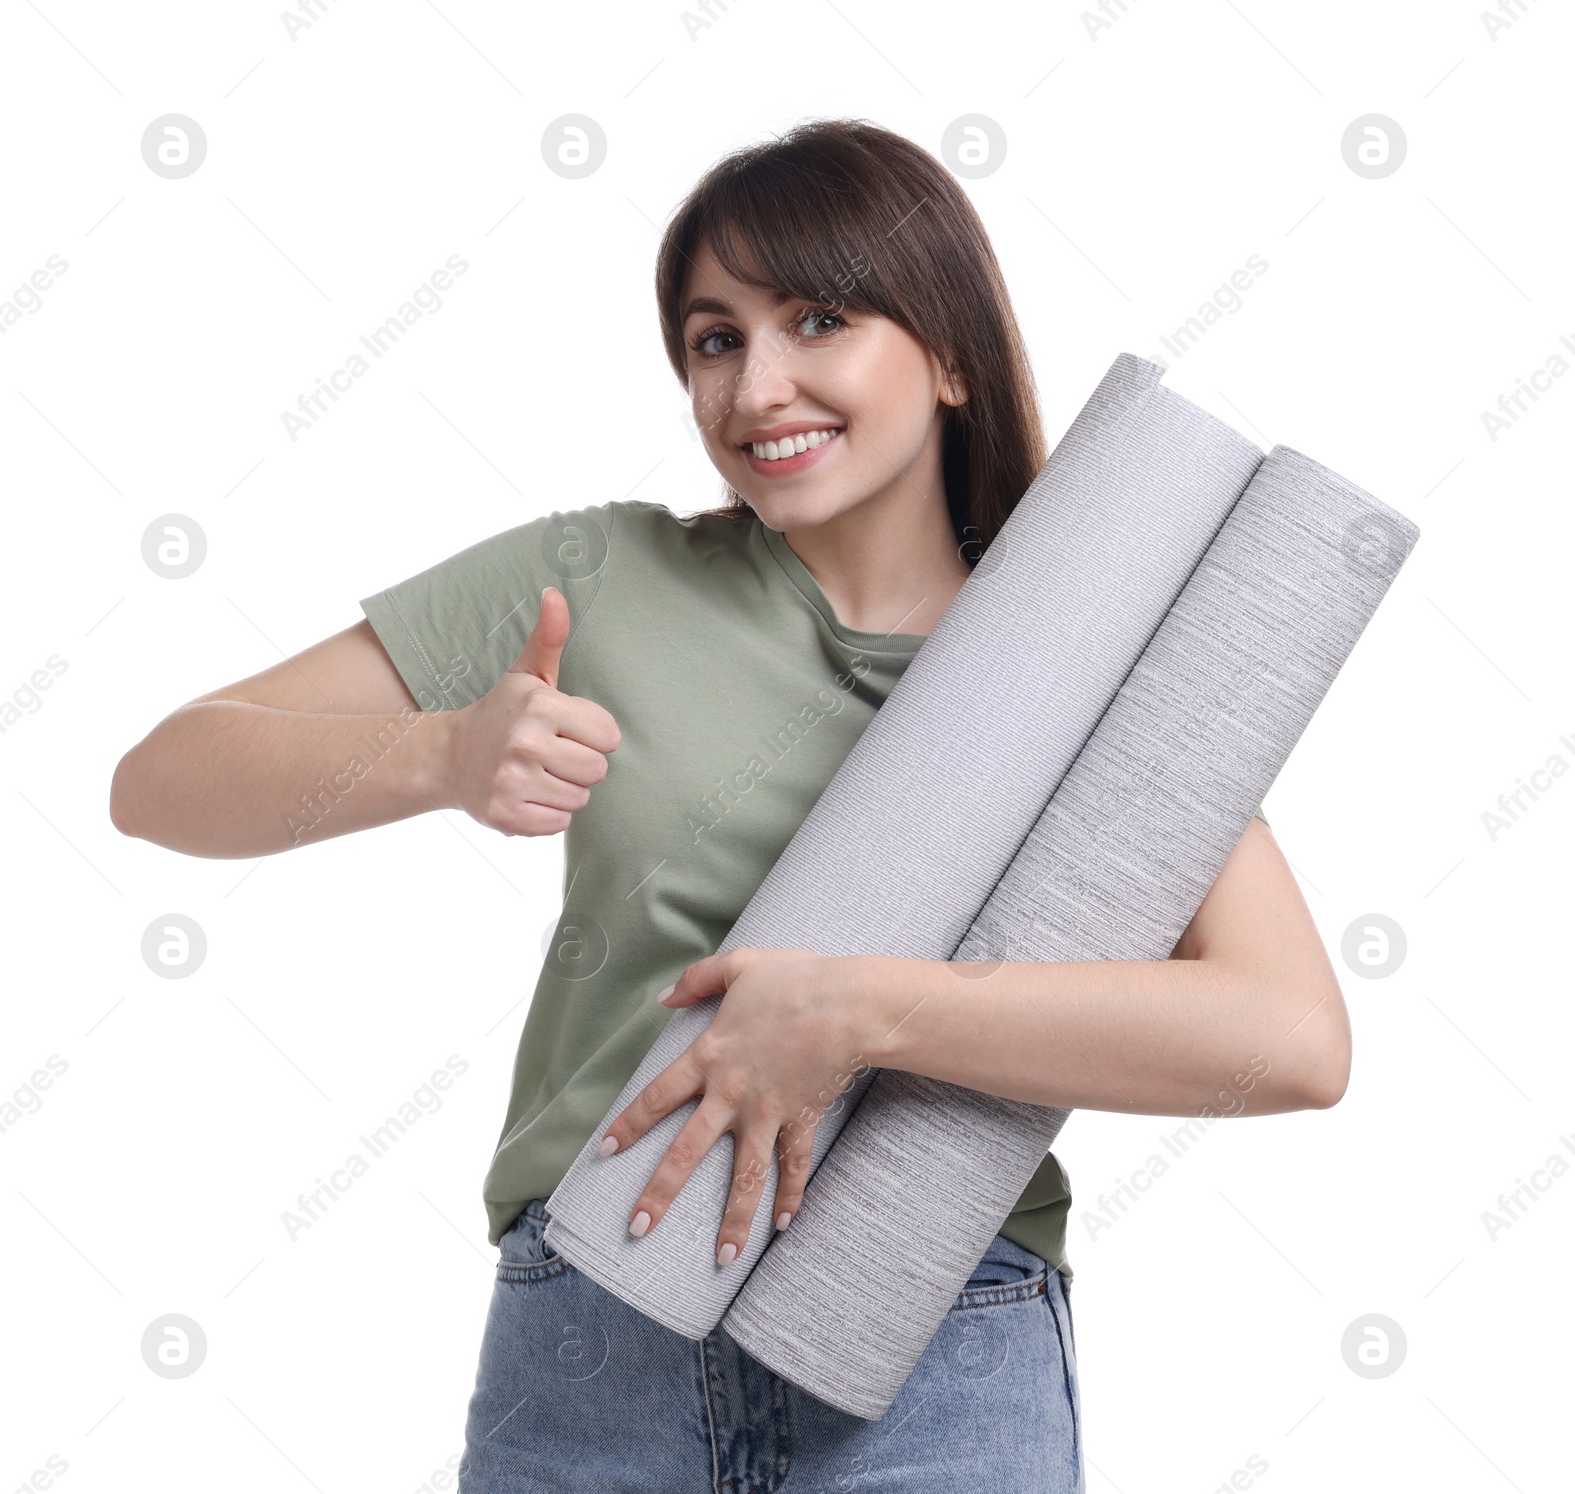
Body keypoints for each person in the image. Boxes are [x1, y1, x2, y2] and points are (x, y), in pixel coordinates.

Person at [110, 117, 1349, 1493]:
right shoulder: (604, 577)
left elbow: (1290, 1037)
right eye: (714, 339)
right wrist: (442, 756)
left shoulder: (1080, 657)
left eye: (819, 319)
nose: (759, 386)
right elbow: (162, 779)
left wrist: (861, 1009)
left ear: (948, 352)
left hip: (933, 1340)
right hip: (590, 1335)